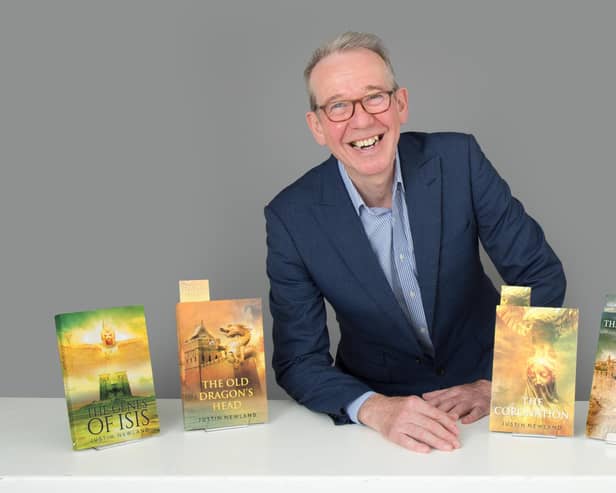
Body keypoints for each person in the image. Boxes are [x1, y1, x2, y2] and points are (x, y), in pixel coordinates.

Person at [264, 32, 566, 453]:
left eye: (375, 97)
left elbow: (539, 274)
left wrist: (498, 383)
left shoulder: (459, 160)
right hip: (380, 426)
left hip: (491, 404)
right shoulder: (290, 217)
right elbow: (298, 360)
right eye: (338, 106)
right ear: (317, 126)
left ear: (400, 103)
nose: (362, 119)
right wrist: (373, 409)